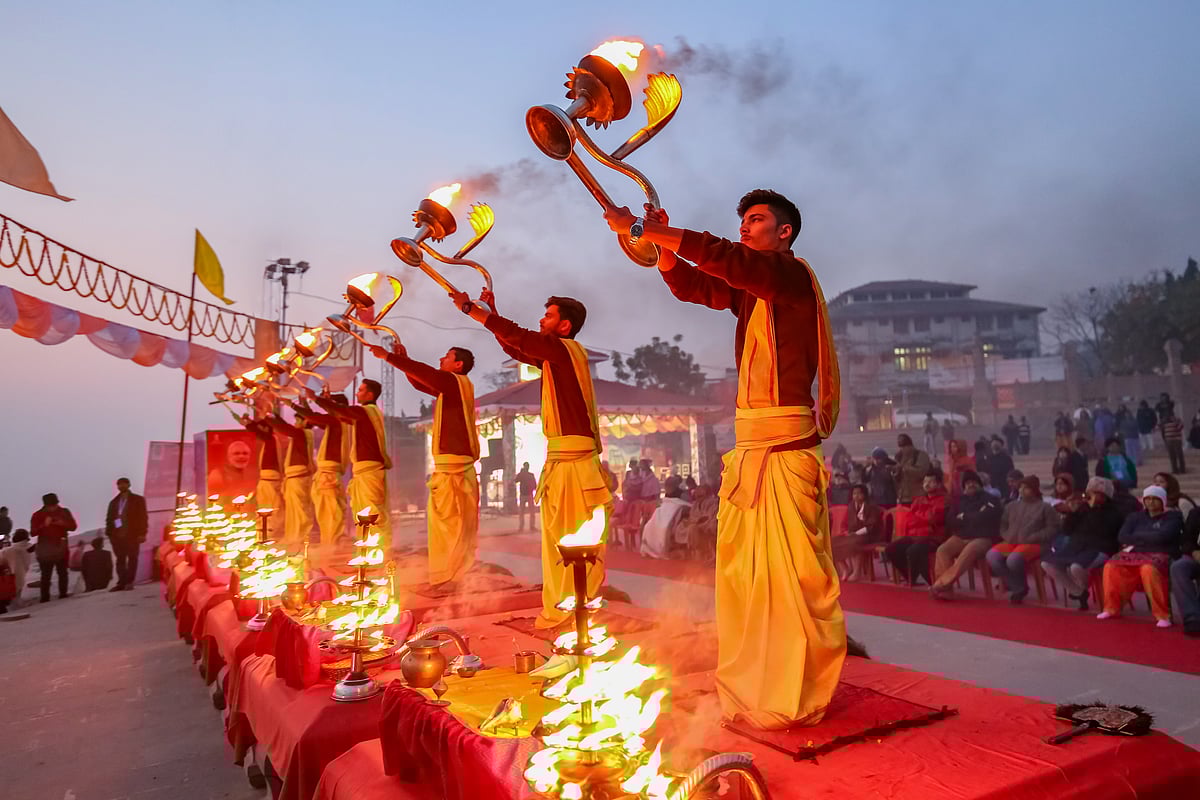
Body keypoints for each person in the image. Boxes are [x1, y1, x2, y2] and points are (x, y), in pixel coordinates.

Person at [603, 188, 845, 728]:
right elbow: (696, 283)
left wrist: (648, 232)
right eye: (743, 220)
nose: (745, 227)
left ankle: (798, 688)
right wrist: (659, 247)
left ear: (784, 233)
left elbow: (724, 259)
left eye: (756, 220)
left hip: (784, 448)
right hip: (750, 448)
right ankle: (758, 679)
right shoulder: (751, 292)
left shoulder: (790, 276)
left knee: (793, 580)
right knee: (745, 576)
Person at [459, 289, 612, 629]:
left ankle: (576, 613)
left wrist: (474, 310)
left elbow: (518, 337)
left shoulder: (562, 350)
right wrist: (491, 311)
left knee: (574, 542)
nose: (541, 320)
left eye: (549, 316)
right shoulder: (555, 355)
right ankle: (565, 609)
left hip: (573, 464)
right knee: (559, 541)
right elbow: (514, 345)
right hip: (562, 461)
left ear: (564, 327)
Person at [373, 341, 480, 585]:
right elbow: (420, 381)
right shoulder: (451, 387)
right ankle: (448, 575)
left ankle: (454, 577)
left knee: (452, 528)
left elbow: (426, 375)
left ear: (458, 365)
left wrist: (390, 357)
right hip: (448, 468)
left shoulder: (455, 382)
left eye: (447, 356)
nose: (441, 359)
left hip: (454, 468)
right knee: (446, 528)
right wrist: (404, 359)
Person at [310, 380, 392, 548]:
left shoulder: (366, 411)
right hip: (363, 473)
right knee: (363, 515)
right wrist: (325, 401)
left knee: (372, 514)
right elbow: (340, 413)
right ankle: (369, 552)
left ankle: (379, 552)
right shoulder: (361, 416)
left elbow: (341, 411)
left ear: (370, 394)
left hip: (369, 472)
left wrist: (316, 399)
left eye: (360, 390)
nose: (357, 393)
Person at [1096, 485, 1182, 627]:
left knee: (1148, 569)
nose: (1151, 502)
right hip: (1135, 553)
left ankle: (1162, 615)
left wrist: (1136, 537)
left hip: (1161, 554)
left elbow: (1163, 537)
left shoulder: (1173, 517)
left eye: (1155, 499)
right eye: (1147, 499)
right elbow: (1122, 537)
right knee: (1111, 566)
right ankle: (1111, 608)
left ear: (1163, 501)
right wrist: (1149, 538)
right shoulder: (1135, 516)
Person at [1041, 477, 1123, 611]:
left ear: (1105, 495)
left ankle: (1083, 589)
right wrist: (1072, 513)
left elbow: (1105, 531)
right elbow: (1067, 530)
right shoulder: (1083, 508)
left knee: (1076, 567)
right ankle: (1078, 592)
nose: (1091, 496)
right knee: (1047, 563)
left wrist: (1094, 510)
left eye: (1096, 493)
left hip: (1100, 548)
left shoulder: (1114, 511)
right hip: (1077, 546)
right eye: (1090, 492)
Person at [986, 475, 1059, 603]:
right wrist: (1006, 535)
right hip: (1012, 541)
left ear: (1034, 490)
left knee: (1013, 560)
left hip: (1036, 543)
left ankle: (1018, 588)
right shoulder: (1012, 506)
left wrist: (1035, 536)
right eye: (1021, 487)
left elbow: (1053, 528)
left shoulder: (1045, 507)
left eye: (1026, 488)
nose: (1021, 490)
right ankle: (1017, 586)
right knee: (992, 555)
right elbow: (1003, 524)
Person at [290, 393, 351, 546]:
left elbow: (314, 417)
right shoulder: (338, 423)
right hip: (327, 475)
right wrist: (304, 403)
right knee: (327, 515)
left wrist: (294, 405)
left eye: (331, 406)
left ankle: (331, 547)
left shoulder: (337, 421)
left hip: (328, 476)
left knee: (330, 515)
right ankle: (330, 545)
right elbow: (314, 418)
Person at [930, 471, 1002, 600]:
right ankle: (946, 592)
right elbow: (951, 520)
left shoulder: (991, 499)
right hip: (961, 536)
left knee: (968, 552)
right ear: (964, 486)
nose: (971, 485)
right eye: (968, 483)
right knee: (942, 550)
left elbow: (986, 517)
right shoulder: (959, 501)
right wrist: (972, 516)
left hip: (982, 537)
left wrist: (964, 517)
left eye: (973, 482)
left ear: (979, 484)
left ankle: (941, 584)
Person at [885, 471, 948, 586]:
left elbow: (933, 520)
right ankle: (910, 577)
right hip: (915, 535)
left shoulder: (944, 500)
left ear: (939, 484)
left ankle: (934, 582)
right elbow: (909, 520)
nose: (927, 484)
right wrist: (923, 518)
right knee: (891, 549)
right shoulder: (919, 500)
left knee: (913, 550)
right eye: (925, 481)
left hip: (934, 537)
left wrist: (919, 517)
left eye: (931, 481)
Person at [263, 412, 317, 546]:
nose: (295, 424)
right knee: (293, 513)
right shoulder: (299, 435)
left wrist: (268, 418)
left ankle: (300, 540)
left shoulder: (302, 434)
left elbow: (285, 429)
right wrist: (275, 416)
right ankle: (293, 538)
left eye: (297, 421)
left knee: (300, 512)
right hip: (293, 480)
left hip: (299, 480)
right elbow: (286, 427)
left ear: (305, 422)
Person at [240, 414, 287, 539]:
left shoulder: (271, 439)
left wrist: (248, 424)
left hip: (271, 482)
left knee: (272, 509)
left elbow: (262, 435)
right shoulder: (269, 441)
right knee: (264, 508)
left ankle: (271, 534)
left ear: (266, 429)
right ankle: (263, 534)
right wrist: (249, 422)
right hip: (266, 482)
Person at [31, 493, 77, 603]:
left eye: (55, 505)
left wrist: (63, 523)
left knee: (62, 572)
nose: (53, 507)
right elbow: (32, 533)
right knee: (46, 574)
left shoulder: (64, 512)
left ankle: (63, 595)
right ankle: (45, 598)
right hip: (45, 548)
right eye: (51, 506)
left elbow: (73, 527)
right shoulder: (37, 515)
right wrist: (44, 525)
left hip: (61, 546)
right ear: (45, 505)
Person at [104, 477, 148, 591]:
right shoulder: (114, 503)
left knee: (132, 558)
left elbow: (143, 517)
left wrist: (142, 533)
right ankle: (121, 582)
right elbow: (109, 519)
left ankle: (130, 581)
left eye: (124, 484)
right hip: (117, 536)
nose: (121, 486)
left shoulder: (138, 500)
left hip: (132, 534)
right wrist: (110, 534)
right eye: (119, 484)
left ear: (128, 485)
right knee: (120, 559)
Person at [834, 483, 884, 581]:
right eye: (854, 494)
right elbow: (848, 523)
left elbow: (871, 526)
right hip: (853, 534)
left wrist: (855, 533)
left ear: (864, 494)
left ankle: (857, 572)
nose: (856, 496)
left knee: (854, 542)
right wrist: (848, 532)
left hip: (870, 535)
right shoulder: (851, 506)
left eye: (859, 493)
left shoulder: (872, 506)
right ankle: (845, 569)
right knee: (833, 542)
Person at [640, 476, 691, 559]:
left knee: (665, 527)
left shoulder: (682, 494)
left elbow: (685, 504)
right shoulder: (667, 494)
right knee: (648, 526)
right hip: (662, 512)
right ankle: (650, 548)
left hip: (673, 513)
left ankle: (663, 549)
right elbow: (664, 502)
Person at [1170, 507, 1200, 636]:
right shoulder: (1196, 513)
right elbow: (1186, 540)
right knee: (1178, 567)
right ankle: (1192, 618)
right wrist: (1194, 551)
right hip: (1197, 557)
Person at [892, 434, 931, 505]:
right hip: (903, 497)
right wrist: (895, 472)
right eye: (900, 447)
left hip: (918, 496)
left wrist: (904, 468)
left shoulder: (920, 455)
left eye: (904, 446)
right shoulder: (899, 457)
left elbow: (922, 472)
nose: (902, 449)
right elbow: (897, 479)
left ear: (910, 445)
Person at [0, 529, 33, 613]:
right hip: (22, 571)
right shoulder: (28, 546)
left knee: (12, 591)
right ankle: (17, 604)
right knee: (18, 590)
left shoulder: (9, 550)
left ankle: (14, 606)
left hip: (12, 573)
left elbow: (1, 559)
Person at [512, 462, 539, 532]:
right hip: (527, 494)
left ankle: (523, 527)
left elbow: (515, 480)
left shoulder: (525, 475)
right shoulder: (529, 475)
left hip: (525, 495)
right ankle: (530, 527)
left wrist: (520, 473)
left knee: (523, 512)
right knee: (530, 512)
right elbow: (535, 485)